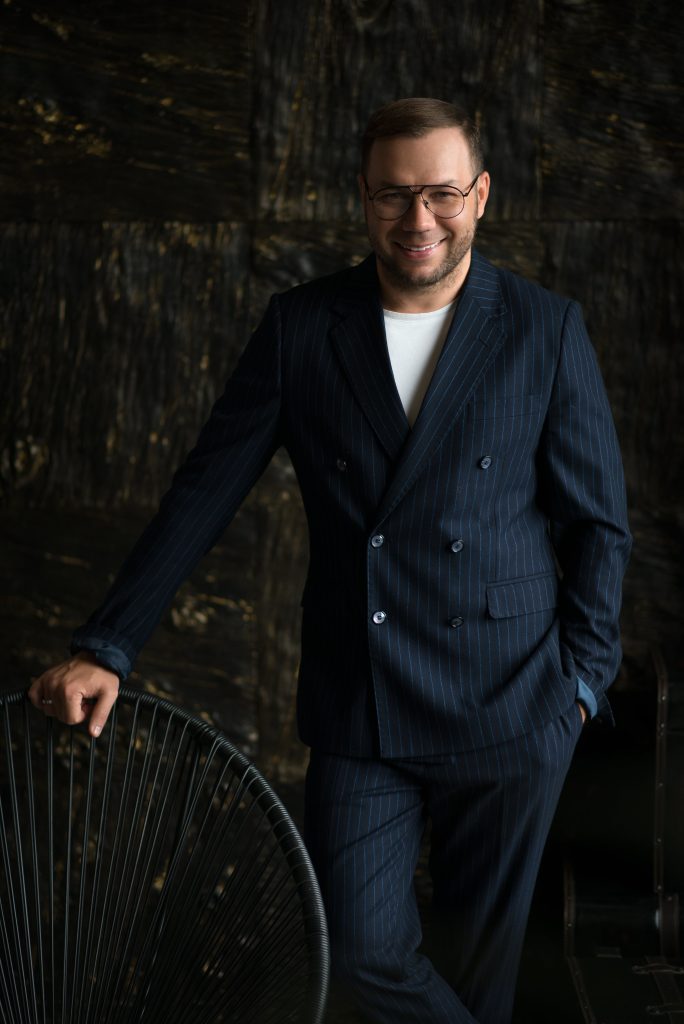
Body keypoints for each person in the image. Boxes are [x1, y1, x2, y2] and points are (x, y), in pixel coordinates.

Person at [29, 97, 631, 1023]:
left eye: (441, 194)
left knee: (482, 980)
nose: (419, 218)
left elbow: (599, 525)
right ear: (363, 197)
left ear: (480, 195)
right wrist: (106, 645)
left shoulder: (543, 327)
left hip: (512, 702)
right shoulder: (302, 327)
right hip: (363, 701)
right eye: (394, 195)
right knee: (356, 953)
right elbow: (202, 496)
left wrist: (580, 685)